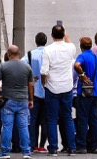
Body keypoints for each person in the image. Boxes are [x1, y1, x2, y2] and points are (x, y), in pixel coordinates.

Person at [39, 25, 78, 155]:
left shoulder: (48, 50)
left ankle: (54, 148)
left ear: (51, 35)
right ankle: (71, 147)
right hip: (67, 86)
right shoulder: (70, 48)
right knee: (67, 117)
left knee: (51, 118)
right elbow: (70, 41)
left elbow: (44, 71)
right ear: (63, 35)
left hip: (52, 87)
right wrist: (65, 33)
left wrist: (44, 83)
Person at [0, 45, 33, 159]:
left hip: (8, 100)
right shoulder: (27, 67)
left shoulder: (3, 66)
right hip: (23, 100)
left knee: (7, 126)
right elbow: (31, 85)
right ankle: (26, 152)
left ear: (8, 54)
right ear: (18, 53)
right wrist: (31, 99)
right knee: (23, 127)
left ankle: (5, 152)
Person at [73, 37, 97, 153]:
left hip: (84, 92)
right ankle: (95, 145)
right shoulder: (96, 58)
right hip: (95, 92)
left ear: (81, 46)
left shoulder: (83, 56)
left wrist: (82, 75)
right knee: (94, 119)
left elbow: (76, 65)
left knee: (82, 119)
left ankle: (82, 145)